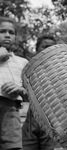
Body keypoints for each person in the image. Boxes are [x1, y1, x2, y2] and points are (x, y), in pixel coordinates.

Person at [22, 35, 56, 150]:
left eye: (51, 47)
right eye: (45, 46)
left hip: (51, 123)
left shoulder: (61, 71)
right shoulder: (29, 69)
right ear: (37, 50)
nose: (48, 49)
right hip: (31, 121)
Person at [0, 16, 28, 150]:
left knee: (12, 146)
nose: (7, 35)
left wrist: (20, 89)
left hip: (11, 109)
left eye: (11, 33)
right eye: (2, 31)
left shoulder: (22, 62)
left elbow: (30, 92)